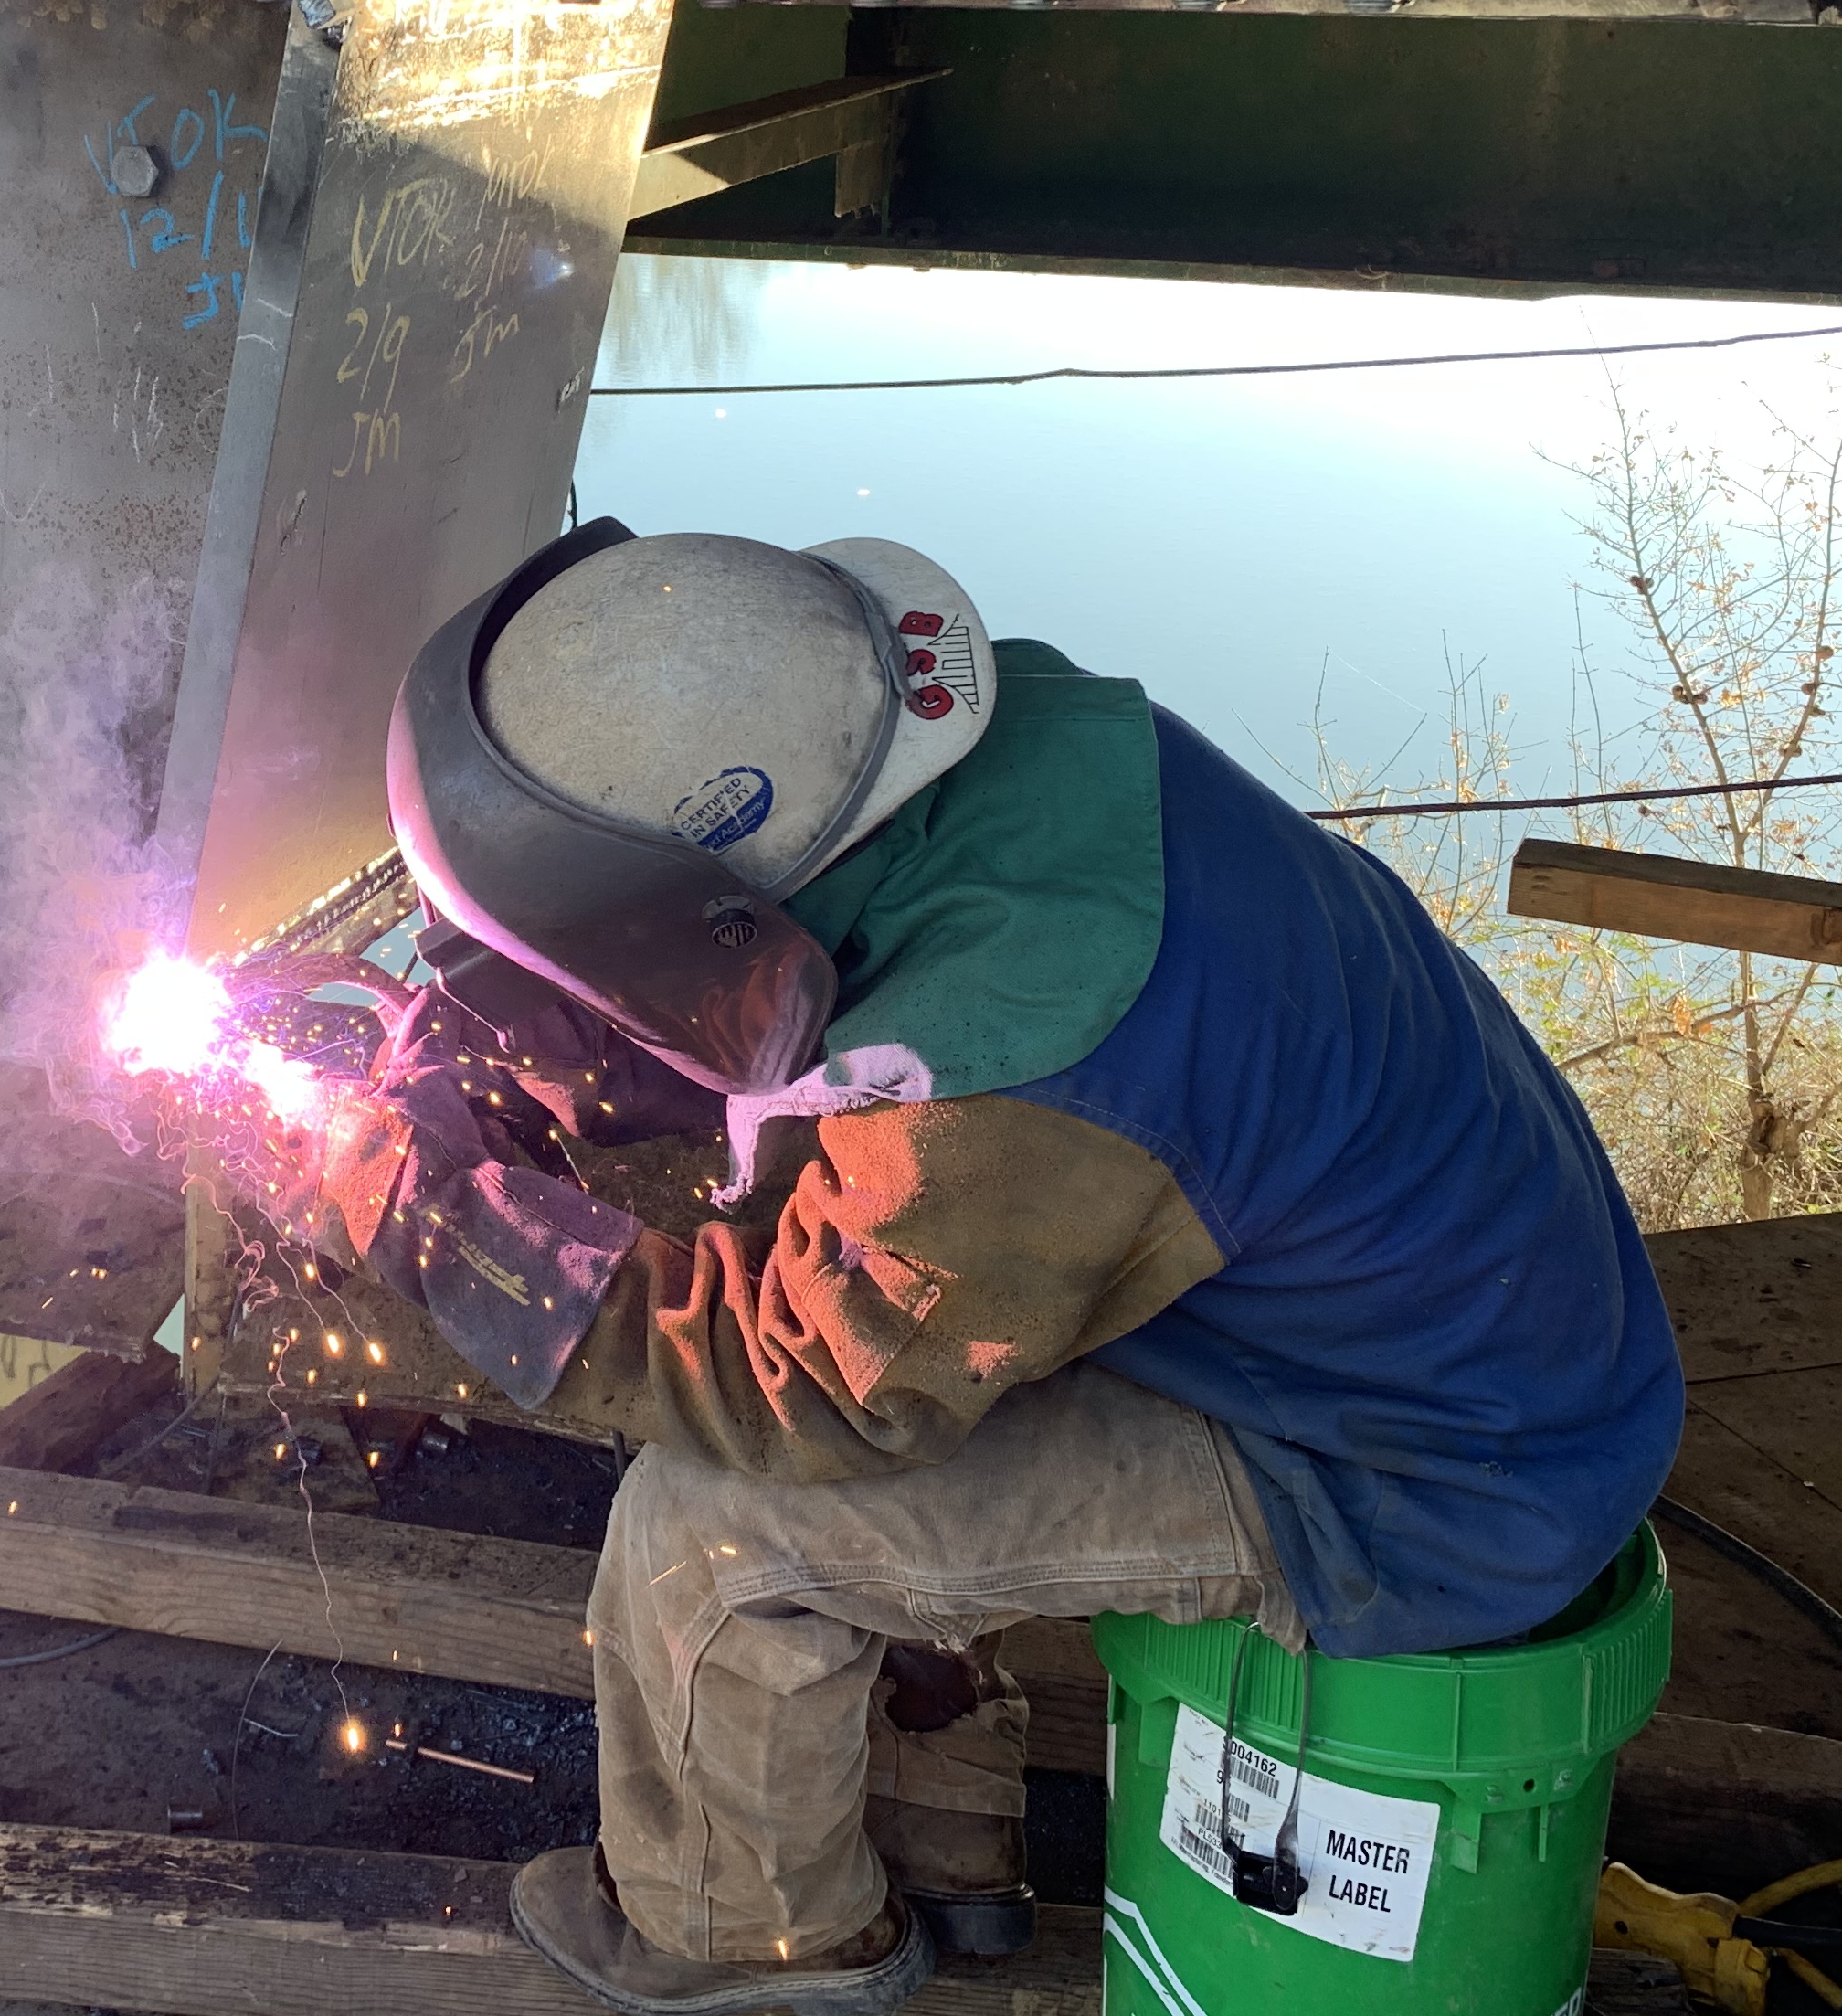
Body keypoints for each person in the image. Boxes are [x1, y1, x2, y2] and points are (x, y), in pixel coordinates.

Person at [266, 522, 1684, 2016]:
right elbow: (836, 1021)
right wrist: (549, 1062)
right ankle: (952, 1842)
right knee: (887, 1324)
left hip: (1417, 1480)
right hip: (1437, 1332)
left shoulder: (1025, 1082)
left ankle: (744, 1946)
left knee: (714, 1531)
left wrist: (423, 1216)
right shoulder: (988, 761)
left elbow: (803, 1392)